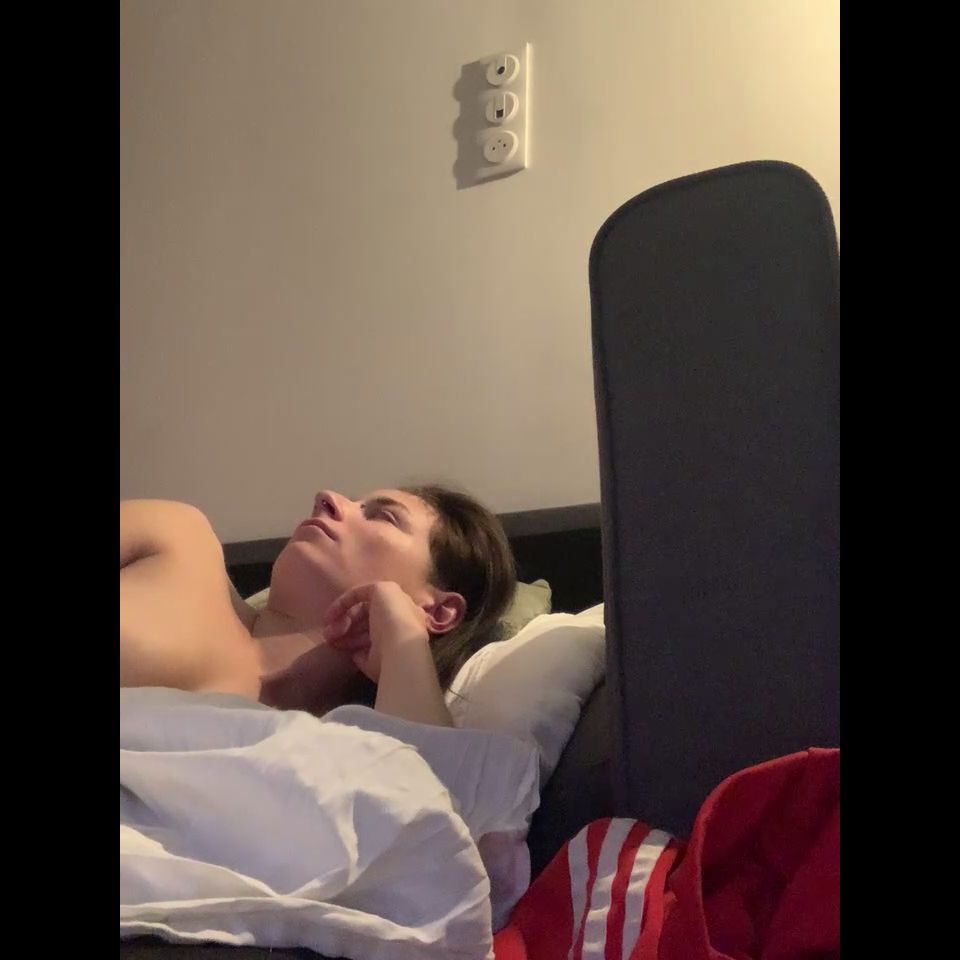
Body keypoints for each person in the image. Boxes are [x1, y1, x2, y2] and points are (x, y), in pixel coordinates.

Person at [119, 484, 516, 726]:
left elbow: (431, 807)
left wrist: (403, 643)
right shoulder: (179, 540)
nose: (327, 497)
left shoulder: (350, 747)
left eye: (383, 517)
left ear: (437, 611)